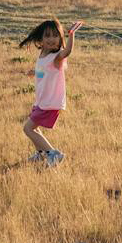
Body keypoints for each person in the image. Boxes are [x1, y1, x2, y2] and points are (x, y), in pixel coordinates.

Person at [18, 19, 81, 167]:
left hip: (50, 103)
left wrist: (71, 34)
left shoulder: (57, 57)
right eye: (47, 36)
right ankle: (41, 154)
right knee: (34, 128)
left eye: (55, 36)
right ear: (40, 39)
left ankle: (53, 153)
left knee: (28, 128)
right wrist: (34, 72)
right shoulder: (43, 55)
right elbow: (44, 72)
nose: (52, 39)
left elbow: (68, 52)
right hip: (41, 101)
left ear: (60, 38)